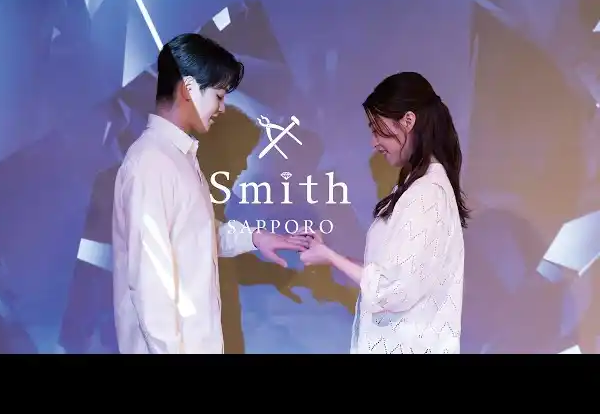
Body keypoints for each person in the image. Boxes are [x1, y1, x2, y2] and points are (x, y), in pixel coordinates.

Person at [112, 33, 309, 354]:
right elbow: (151, 287)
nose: (222, 107)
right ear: (188, 89)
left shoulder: (177, 158)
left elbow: (194, 236)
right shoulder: (151, 164)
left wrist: (256, 238)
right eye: (218, 95)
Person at [295, 72, 468, 354]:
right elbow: (392, 275)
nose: (373, 143)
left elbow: (394, 291)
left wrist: (331, 257)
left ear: (408, 121)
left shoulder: (426, 193)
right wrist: (329, 255)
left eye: (377, 130)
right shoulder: (418, 187)